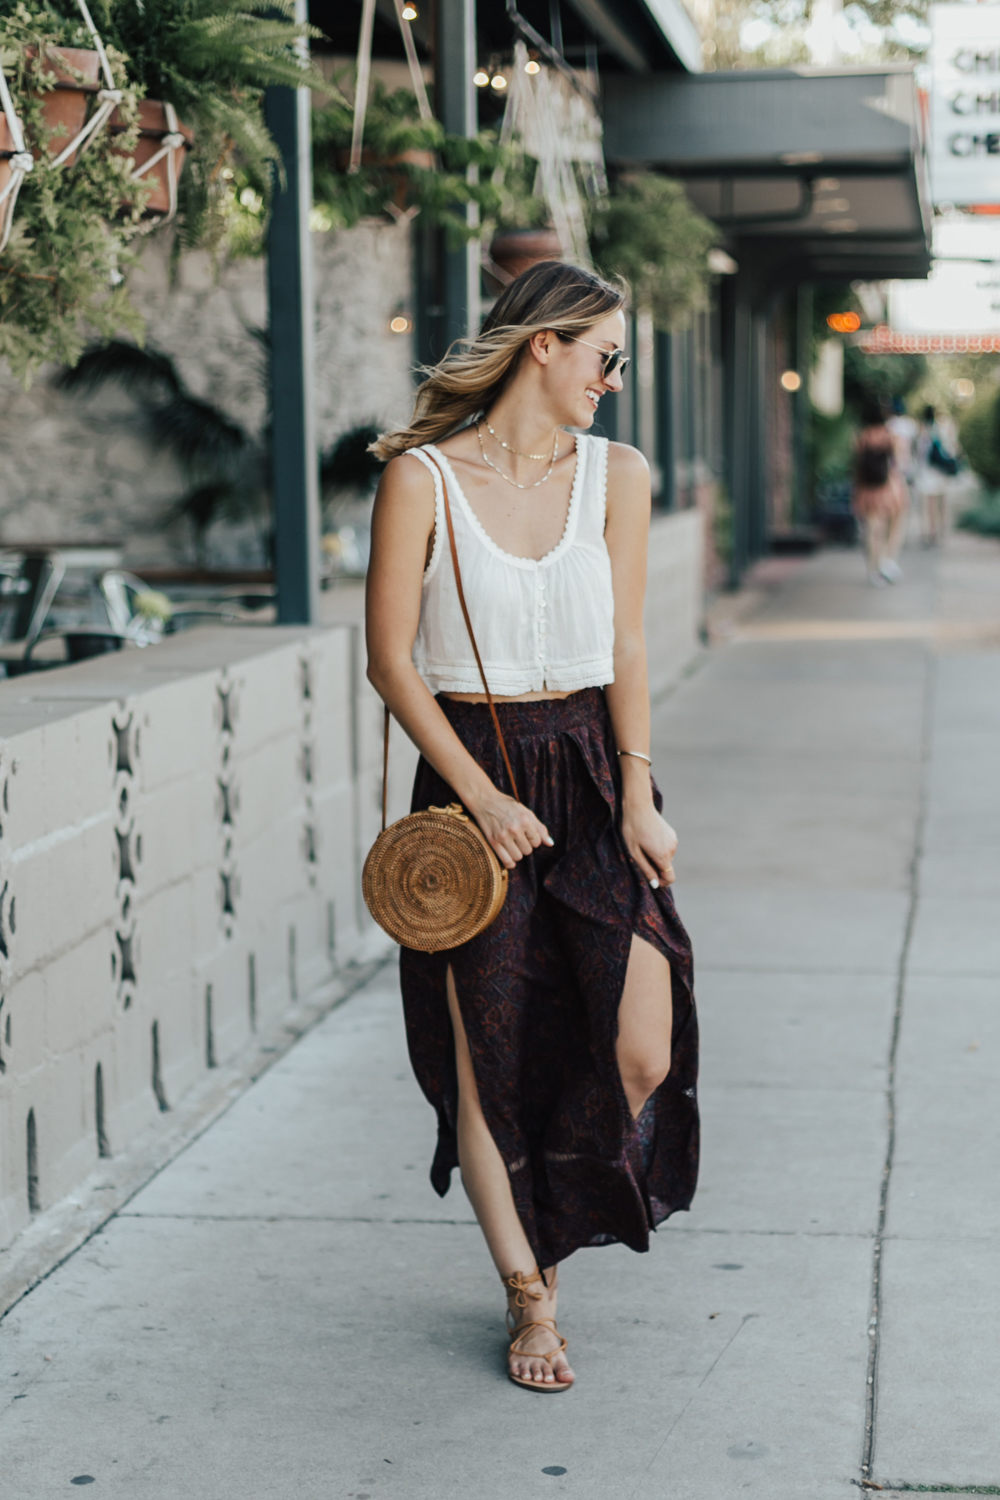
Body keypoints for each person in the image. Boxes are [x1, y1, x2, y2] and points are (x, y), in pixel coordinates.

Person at [366, 262, 698, 1392]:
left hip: (596, 780)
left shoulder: (617, 475)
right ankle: (530, 1294)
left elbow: (632, 648)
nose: (615, 377)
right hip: (474, 787)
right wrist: (479, 794)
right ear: (542, 347)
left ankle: (554, 1194)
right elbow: (392, 665)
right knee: (484, 1061)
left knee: (640, 1045)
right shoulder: (423, 480)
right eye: (605, 354)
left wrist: (641, 794)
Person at [852, 398, 909, 584]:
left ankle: (872, 570)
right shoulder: (890, 436)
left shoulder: (861, 437)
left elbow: (856, 466)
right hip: (886, 488)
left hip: (866, 489)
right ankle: (886, 561)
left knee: (871, 529)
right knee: (890, 525)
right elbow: (899, 465)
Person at [915, 404, 958, 547]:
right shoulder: (942, 429)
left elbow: (920, 454)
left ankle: (932, 531)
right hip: (941, 471)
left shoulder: (923, 431)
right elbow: (951, 448)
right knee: (942, 502)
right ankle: (942, 528)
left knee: (930, 504)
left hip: (928, 473)